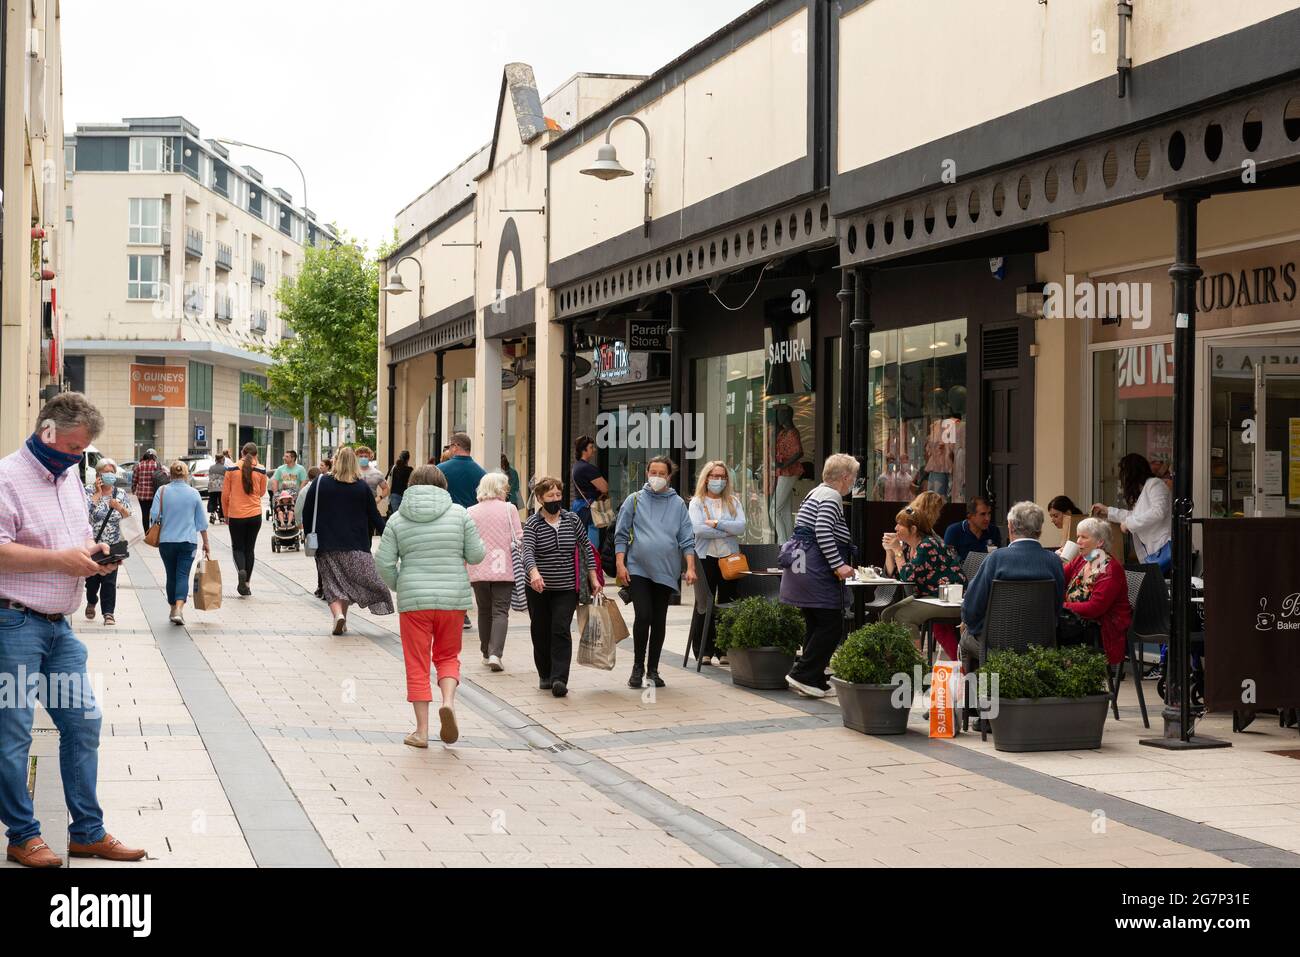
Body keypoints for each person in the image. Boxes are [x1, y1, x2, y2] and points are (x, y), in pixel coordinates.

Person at [0, 393, 146, 867]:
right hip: (13, 622)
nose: (74, 457)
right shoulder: (6, 478)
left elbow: (75, 538)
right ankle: (23, 835)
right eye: (70, 447)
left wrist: (92, 556)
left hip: (58, 627)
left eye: (82, 451)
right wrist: (58, 560)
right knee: (14, 733)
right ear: (46, 431)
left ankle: (86, 831)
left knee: (83, 723)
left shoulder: (68, 480)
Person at [377, 465, 485, 749]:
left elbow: (383, 562)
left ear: (412, 485)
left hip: (414, 602)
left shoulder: (398, 519)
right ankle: (448, 702)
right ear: (443, 485)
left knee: (417, 663)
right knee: (448, 655)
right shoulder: (460, 514)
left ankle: (422, 732)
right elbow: (476, 555)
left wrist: (401, 584)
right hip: (453, 599)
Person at [615, 457, 697, 689]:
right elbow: (621, 535)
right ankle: (637, 667)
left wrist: (690, 567)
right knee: (643, 616)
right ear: (647, 473)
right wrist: (621, 565)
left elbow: (686, 538)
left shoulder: (678, 504)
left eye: (662, 473)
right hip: (638, 568)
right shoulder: (635, 499)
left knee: (659, 620)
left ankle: (653, 669)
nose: (657, 477)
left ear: (669, 476)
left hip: (666, 571)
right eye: (653, 472)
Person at [780, 454, 859, 699]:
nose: (854, 482)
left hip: (803, 570)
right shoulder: (831, 496)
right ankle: (802, 673)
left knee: (815, 623)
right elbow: (822, 530)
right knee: (831, 626)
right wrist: (839, 566)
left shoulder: (815, 493)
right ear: (845, 477)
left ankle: (814, 679)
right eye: (854, 477)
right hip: (817, 571)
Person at [522, 477, 601, 698]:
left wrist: (594, 578)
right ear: (539, 498)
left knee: (560, 629)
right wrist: (534, 573)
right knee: (540, 630)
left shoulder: (571, 519)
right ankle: (545, 673)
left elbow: (586, 548)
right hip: (538, 588)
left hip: (566, 587)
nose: (555, 500)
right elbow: (527, 550)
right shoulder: (533, 524)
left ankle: (559, 678)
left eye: (558, 495)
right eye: (550, 496)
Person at [960, 501, 1066, 664]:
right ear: (1040, 530)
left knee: (965, 638)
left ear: (1010, 527)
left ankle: (984, 687)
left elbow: (971, 608)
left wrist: (975, 627)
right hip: (1040, 643)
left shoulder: (996, 558)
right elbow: (1057, 606)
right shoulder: (1054, 561)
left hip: (996, 643)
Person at [302, 446, 393, 635]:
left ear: (335, 461)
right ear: (354, 463)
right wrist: (390, 534)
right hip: (356, 544)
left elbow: (307, 511)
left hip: (326, 543)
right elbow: (374, 516)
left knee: (332, 583)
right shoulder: (361, 487)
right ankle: (342, 620)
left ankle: (338, 616)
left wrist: (309, 535)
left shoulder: (320, 482)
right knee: (347, 582)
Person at [882, 503, 965, 656]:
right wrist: (890, 551)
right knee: (887, 614)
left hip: (948, 598)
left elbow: (908, 576)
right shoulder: (908, 547)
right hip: (929, 597)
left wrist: (897, 551)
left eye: (900, 525)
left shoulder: (928, 545)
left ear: (913, 529)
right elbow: (892, 574)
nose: (896, 528)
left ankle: (915, 665)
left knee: (904, 616)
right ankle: (893, 661)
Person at [686, 460, 746, 666]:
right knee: (705, 604)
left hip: (729, 558)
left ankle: (724, 650)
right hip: (705, 558)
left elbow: (741, 528)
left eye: (722, 477)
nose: (718, 480)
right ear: (706, 478)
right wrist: (726, 529)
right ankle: (703, 649)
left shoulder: (734, 502)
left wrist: (718, 523)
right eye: (714, 476)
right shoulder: (697, 502)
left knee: (728, 603)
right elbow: (698, 529)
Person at [467, 471, 524, 672]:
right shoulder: (510, 509)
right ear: (500, 488)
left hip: (478, 567)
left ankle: (485, 652)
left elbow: (468, 541)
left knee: (484, 610)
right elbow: (519, 537)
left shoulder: (470, 511)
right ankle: (495, 654)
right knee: (500, 611)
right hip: (504, 566)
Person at [1060, 517, 1132, 665]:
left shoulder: (1109, 568)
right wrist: (1056, 560)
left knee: (1050, 631)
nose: (1078, 541)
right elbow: (1059, 578)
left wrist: (1061, 607)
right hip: (1077, 622)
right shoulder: (1083, 559)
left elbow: (1095, 608)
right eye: (1077, 536)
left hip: (1100, 630)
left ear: (1099, 542)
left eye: (1083, 537)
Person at [150, 461, 211, 626]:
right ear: (186, 474)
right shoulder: (193, 493)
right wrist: (206, 543)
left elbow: (154, 515)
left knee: (171, 575)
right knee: (183, 575)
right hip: (188, 542)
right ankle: (178, 608)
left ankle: (172, 608)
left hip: (166, 541)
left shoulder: (162, 491)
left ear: (170, 474)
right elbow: (201, 523)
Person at [1092, 453, 1172, 573]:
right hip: (1155, 552)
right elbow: (1135, 516)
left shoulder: (1155, 484)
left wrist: (1129, 524)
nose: (1122, 479)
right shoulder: (1145, 489)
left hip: (1164, 548)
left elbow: (1158, 512)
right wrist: (1108, 511)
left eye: (1124, 473)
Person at [85, 460, 131, 626]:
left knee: (109, 581)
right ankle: (91, 600)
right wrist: (97, 495)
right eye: (106, 472)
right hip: (92, 544)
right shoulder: (89, 491)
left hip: (113, 544)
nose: (109, 475)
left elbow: (128, 516)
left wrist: (119, 507)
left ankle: (108, 613)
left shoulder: (120, 494)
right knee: (91, 580)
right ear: (98, 475)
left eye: (112, 472)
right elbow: (83, 514)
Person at [222, 442, 268, 597]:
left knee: (237, 548)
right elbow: (262, 492)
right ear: (256, 454)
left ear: (242, 452)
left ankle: (241, 570)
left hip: (236, 514)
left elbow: (225, 495)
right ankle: (246, 583)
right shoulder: (261, 469)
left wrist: (225, 514)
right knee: (250, 549)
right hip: (255, 515)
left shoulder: (232, 469)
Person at [770, 405, 804, 544]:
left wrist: (784, 465)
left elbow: (799, 452)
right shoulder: (783, 432)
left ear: (787, 415)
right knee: (784, 510)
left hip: (789, 472)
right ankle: (790, 542)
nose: (778, 417)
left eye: (780, 414)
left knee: (774, 509)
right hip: (783, 471)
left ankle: (783, 543)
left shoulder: (792, 432)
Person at [571, 436, 610, 549]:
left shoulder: (576, 466)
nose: (594, 450)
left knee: (580, 541)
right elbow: (605, 488)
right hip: (589, 508)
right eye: (591, 447)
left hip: (579, 506)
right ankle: (591, 565)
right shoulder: (587, 468)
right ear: (584, 450)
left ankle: (583, 564)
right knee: (592, 543)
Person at [943, 496, 1001, 561]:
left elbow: (998, 559)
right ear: (970, 515)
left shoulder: (994, 531)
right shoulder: (953, 531)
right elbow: (948, 561)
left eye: (989, 513)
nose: (987, 518)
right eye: (983, 514)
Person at [297, 467, 324, 600]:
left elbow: (298, 508)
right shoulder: (326, 486)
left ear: (308, 477)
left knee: (319, 558)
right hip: (328, 527)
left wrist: (298, 523)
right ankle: (326, 587)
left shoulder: (305, 490)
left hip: (314, 529)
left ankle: (321, 587)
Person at [439, 433, 486, 509]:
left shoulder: (439, 470)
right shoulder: (483, 474)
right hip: (472, 518)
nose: (449, 450)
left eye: (450, 446)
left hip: (448, 517)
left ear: (455, 447)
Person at [132, 449, 160, 524]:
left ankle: (146, 534)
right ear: (154, 457)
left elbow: (134, 479)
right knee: (155, 514)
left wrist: (133, 489)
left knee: (144, 515)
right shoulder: (157, 465)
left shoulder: (139, 465)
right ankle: (153, 532)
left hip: (142, 496)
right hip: (155, 495)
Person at [386, 450, 413, 515]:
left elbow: (386, 479)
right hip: (406, 495)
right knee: (405, 515)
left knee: (396, 515)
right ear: (408, 459)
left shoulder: (393, 468)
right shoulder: (410, 470)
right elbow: (413, 482)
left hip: (394, 494)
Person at [207, 450, 227, 524]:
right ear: (222, 460)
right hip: (221, 488)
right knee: (222, 502)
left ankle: (212, 513)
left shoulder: (211, 468)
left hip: (212, 488)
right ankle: (222, 517)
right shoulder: (225, 468)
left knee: (212, 500)